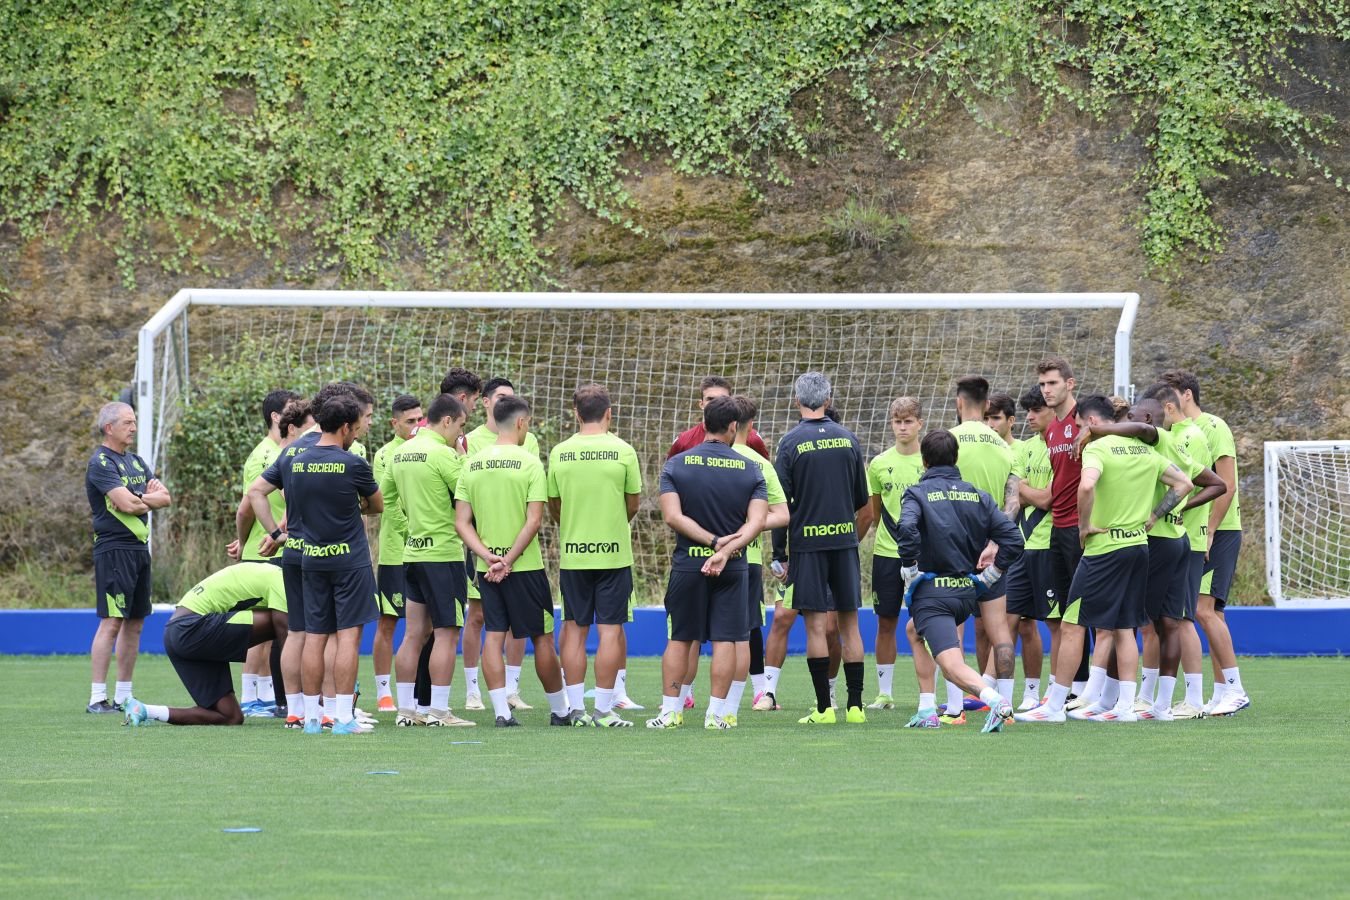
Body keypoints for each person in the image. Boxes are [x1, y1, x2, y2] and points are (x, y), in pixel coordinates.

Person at [1015, 395, 1194, 723]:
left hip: (1103, 549)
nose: (1079, 433)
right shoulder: (1146, 451)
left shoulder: (1098, 449)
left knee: (1071, 625)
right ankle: (1125, 707)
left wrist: (1084, 526)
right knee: (1125, 626)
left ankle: (1054, 706)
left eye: (1080, 426)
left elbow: (1086, 487)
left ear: (1091, 423)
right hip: (1138, 547)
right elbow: (1184, 483)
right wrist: (1154, 516)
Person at [1073, 388, 1225, 719]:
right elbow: (1213, 483)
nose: (1127, 424)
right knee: (1165, 622)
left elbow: (1143, 431)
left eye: (1131, 418)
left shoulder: (1153, 440)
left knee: (1127, 620)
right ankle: (1157, 704)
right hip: (1177, 538)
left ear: (1144, 419)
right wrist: (1176, 508)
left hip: (1154, 540)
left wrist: (1097, 429)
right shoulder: (1170, 448)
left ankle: (1124, 700)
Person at [251, 392, 381, 734]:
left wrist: (278, 535)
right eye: (356, 426)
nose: (357, 432)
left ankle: (308, 716)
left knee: (311, 635)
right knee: (347, 638)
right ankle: (342, 717)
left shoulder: (293, 458)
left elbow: (257, 493)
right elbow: (376, 504)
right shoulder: (353, 462)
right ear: (343, 426)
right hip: (348, 562)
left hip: (309, 559)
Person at [647, 396, 768, 730]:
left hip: (689, 565)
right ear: (733, 427)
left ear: (703, 424)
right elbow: (757, 522)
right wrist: (726, 549)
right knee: (727, 639)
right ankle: (716, 715)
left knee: (681, 638)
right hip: (733, 567)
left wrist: (712, 543)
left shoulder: (676, 465)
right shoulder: (751, 467)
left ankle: (670, 712)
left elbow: (672, 516)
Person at [897, 430, 1024, 733]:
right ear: (955, 458)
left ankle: (996, 703)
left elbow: (906, 530)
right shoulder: (978, 495)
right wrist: (992, 574)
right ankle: (927, 708)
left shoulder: (916, 493)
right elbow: (1013, 541)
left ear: (924, 461)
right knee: (913, 631)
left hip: (932, 593)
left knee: (952, 665)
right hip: (967, 591)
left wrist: (910, 569)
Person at [455, 395, 568, 727]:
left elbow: (461, 522)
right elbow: (534, 521)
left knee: (494, 635)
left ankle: (502, 714)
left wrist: (487, 555)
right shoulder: (530, 463)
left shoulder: (472, 464)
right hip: (525, 568)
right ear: (521, 423)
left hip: (485, 569)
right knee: (542, 638)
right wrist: (509, 559)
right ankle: (560, 711)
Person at [773, 372, 871, 725]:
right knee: (851, 626)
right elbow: (862, 500)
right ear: (828, 400)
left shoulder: (789, 443)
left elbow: (780, 505)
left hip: (808, 546)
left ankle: (824, 709)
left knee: (816, 627)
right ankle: (856, 707)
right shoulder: (849, 439)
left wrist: (778, 554)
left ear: (797, 401)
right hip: (844, 543)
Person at [547, 384, 643, 727]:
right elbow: (633, 503)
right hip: (614, 555)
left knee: (574, 629)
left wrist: (574, 528)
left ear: (575, 413)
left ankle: (576, 710)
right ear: (609, 413)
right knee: (611, 630)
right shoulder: (624, 450)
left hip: (574, 556)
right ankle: (603, 709)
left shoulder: (559, 452)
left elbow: (554, 505)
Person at [1161, 369, 1250, 716]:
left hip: (1220, 531)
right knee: (1205, 612)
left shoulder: (1214, 427)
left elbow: (1224, 483)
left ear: (1185, 395)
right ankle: (1222, 691)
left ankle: (1235, 688)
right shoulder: (1176, 433)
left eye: (1169, 394)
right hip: (1192, 532)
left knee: (1202, 610)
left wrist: (1211, 529)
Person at [386, 393, 473, 727]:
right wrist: (463, 458)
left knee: (413, 634)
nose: (460, 434)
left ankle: (407, 711)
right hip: (443, 556)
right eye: (461, 426)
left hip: (412, 554)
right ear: (447, 421)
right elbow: (469, 494)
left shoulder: (401, 452)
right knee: (447, 633)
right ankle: (438, 711)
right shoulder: (444, 455)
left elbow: (387, 499)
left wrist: (407, 531)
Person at [85, 402, 172, 713]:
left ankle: (123, 695)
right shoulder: (101, 463)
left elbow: (166, 497)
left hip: (139, 551)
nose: (133, 428)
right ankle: (97, 697)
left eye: (134, 422)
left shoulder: (136, 462)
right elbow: (128, 505)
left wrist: (140, 499)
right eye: (127, 422)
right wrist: (146, 500)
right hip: (114, 551)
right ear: (110, 428)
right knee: (112, 621)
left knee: (135, 623)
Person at [123, 563, 287, 727]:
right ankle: (293, 707)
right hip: (191, 628)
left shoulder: (273, 573)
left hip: (177, 634)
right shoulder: (281, 580)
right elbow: (287, 638)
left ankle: (144, 710)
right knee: (284, 623)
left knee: (231, 716)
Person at [463, 377, 537, 712]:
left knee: (515, 625)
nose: (506, 401)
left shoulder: (529, 443)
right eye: (501, 397)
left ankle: (511, 690)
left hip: (508, 551)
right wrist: (491, 552)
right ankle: (473, 690)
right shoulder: (471, 441)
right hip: (485, 547)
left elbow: (528, 501)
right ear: (487, 402)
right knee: (479, 618)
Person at [229, 389, 299, 717]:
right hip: (266, 552)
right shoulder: (267, 455)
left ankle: (265, 695)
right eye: (292, 412)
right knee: (261, 630)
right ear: (277, 417)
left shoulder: (276, 451)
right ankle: (249, 698)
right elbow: (247, 506)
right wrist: (246, 542)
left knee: (271, 631)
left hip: (266, 548)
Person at [949, 376, 1017, 709]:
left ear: (960, 403)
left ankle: (954, 706)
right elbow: (1013, 502)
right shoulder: (1005, 447)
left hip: (954, 546)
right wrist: (996, 541)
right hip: (993, 548)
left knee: (954, 626)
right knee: (998, 629)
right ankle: (1006, 703)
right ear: (988, 405)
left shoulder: (947, 440)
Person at [859, 397, 925, 710]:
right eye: (897, 422)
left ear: (919, 424)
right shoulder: (878, 463)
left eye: (908, 421)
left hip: (925, 555)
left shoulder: (931, 462)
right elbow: (872, 513)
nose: (902, 427)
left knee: (926, 622)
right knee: (886, 622)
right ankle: (885, 694)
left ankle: (929, 694)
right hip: (887, 552)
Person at [984, 388, 1048, 710]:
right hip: (992, 542)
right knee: (992, 622)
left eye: (996, 418)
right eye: (986, 418)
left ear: (1010, 421)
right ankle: (986, 691)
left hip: (1023, 541)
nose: (991, 424)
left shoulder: (1021, 450)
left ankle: (1034, 692)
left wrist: (1022, 492)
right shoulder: (981, 450)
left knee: (1026, 622)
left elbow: (1021, 498)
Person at [728, 396, 789, 723]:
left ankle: (679, 699)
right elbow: (782, 515)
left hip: (703, 551)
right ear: (751, 426)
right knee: (745, 628)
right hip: (746, 556)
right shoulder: (759, 463)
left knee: (696, 630)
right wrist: (749, 528)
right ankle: (749, 694)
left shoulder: (700, 457)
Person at [1037, 356, 1093, 701]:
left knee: (1089, 611)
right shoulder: (1052, 429)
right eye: (1043, 384)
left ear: (1070, 384)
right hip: (1057, 528)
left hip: (1081, 528)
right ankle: (1074, 687)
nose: (1047, 390)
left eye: (1053, 383)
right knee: (1065, 613)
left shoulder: (1086, 422)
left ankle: (1097, 689)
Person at [1003, 387, 1057, 709]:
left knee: (1054, 621)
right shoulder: (1024, 449)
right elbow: (1013, 497)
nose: (1030, 417)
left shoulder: (1061, 448)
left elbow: (1049, 499)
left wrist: (1024, 489)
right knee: (1010, 619)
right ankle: (1010, 697)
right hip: (1021, 546)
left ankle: (1054, 692)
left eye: (1036, 410)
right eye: (1027, 411)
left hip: (1050, 545)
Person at [371, 393, 423, 713]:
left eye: (420, 420)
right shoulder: (385, 455)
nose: (417, 426)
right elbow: (386, 504)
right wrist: (411, 530)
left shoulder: (430, 449)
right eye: (410, 421)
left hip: (426, 553)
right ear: (395, 423)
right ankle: (383, 692)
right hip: (395, 552)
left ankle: (419, 691)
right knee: (388, 622)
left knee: (425, 625)